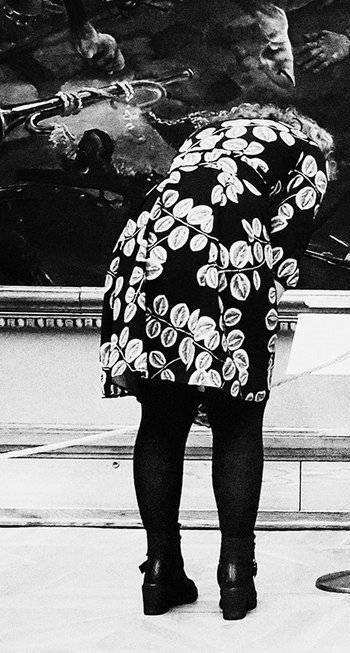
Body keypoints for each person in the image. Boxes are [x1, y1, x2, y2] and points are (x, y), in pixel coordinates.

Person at [98, 103, 333, 620]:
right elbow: (286, 251)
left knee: (160, 422)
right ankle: (236, 578)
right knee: (238, 422)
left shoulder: (204, 140)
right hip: (226, 261)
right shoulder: (306, 152)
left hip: (145, 256)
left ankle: (161, 571)